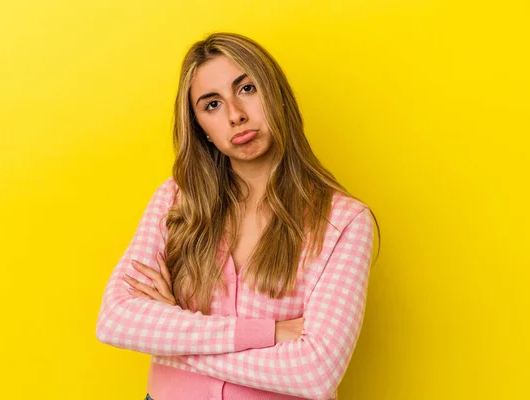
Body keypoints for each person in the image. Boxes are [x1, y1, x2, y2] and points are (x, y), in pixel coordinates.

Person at [95, 32, 380, 400]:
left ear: (275, 94)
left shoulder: (342, 221)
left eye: (246, 89)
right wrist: (269, 333)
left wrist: (174, 342)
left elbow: (315, 372)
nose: (236, 115)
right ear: (201, 129)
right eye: (211, 105)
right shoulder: (177, 200)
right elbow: (116, 320)